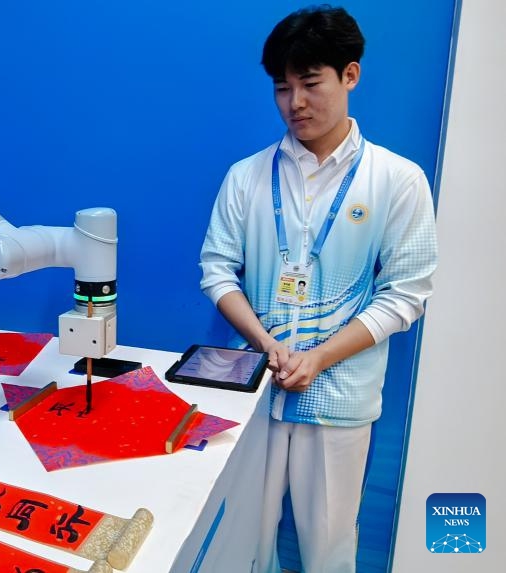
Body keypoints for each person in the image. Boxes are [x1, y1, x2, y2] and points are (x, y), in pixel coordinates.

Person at [199, 6, 437, 572]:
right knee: (240, 542)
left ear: (349, 75)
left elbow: (407, 293)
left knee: (328, 546)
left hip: (340, 395)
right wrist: (265, 343)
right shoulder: (247, 176)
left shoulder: (396, 179)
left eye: (310, 83)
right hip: (255, 389)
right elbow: (215, 270)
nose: (295, 103)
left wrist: (319, 357)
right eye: (283, 88)